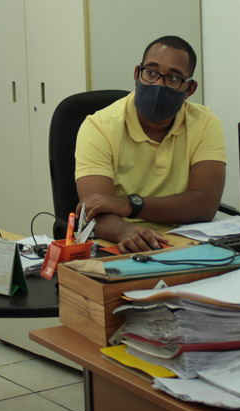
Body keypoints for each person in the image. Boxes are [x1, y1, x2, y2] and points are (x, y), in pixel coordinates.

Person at [75, 35, 226, 254]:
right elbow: (94, 211)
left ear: (190, 89)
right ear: (137, 74)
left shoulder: (205, 123)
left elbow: (204, 205)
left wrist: (130, 205)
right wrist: (124, 231)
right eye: (151, 73)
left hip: (186, 245)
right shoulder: (99, 127)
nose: (158, 84)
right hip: (122, 245)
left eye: (173, 78)